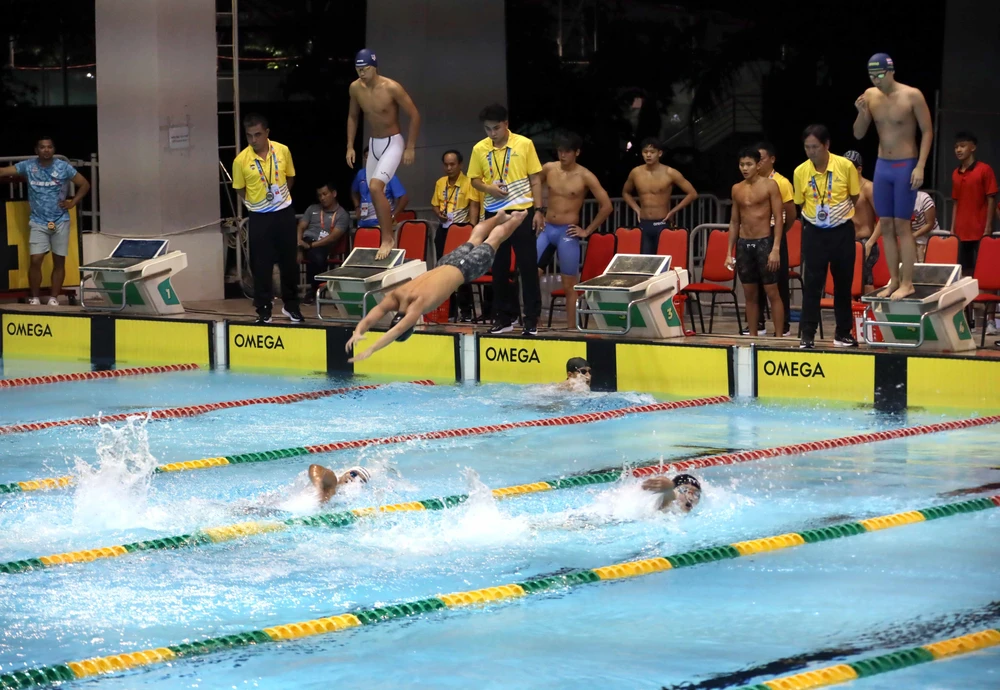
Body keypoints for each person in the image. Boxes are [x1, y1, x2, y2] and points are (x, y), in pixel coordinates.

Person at [346, 210, 527, 362]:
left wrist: (372, 349)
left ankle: (520, 216)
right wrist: (358, 331)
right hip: (445, 262)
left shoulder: (417, 304)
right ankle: (498, 217)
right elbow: (373, 315)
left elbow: (397, 330)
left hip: (465, 269)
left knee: (495, 239)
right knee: (475, 237)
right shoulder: (396, 294)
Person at [853, 53, 933, 300]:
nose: (875, 80)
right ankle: (894, 281)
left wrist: (920, 166)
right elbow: (858, 134)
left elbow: (928, 130)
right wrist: (861, 112)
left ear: (891, 71)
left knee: (902, 225)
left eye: (879, 75)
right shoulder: (870, 96)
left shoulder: (912, 95)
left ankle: (907, 283)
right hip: (882, 166)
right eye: (871, 75)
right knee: (886, 225)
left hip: (905, 164)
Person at [467, 104, 545, 335]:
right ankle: (504, 317)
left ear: (506, 124)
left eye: (496, 128)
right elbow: (474, 180)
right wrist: (488, 188)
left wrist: (539, 210)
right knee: (499, 268)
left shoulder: (524, 144)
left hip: (522, 212)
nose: (492, 134)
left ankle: (531, 319)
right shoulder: (479, 149)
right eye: (488, 129)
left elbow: (536, 179)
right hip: (495, 215)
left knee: (528, 267)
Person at [345, 49, 421, 260]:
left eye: (365, 68)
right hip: (374, 144)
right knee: (373, 192)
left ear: (374, 67)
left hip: (393, 142)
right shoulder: (355, 88)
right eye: (358, 69)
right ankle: (385, 233)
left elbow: (414, 115)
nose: (361, 73)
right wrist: (350, 146)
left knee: (375, 187)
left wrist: (410, 146)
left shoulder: (391, 87)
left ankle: (388, 238)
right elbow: (353, 116)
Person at [0, 136, 90, 305]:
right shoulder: (28, 165)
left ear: (53, 149)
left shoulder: (63, 167)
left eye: (49, 147)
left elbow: (84, 184)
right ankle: (34, 297)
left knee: (59, 260)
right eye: (42, 147)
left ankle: (54, 298)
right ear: (37, 150)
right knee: (36, 259)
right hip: (38, 221)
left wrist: (73, 202)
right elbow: (4, 171)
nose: (46, 150)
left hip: (60, 220)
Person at [794, 124, 861, 349]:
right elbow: (800, 202)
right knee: (812, 284)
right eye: (807, 147)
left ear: (827, 145)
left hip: (842, 231)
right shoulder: (800, 171)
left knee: (843, 285)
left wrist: (838, 215)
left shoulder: (845, 166)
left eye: (815, 147)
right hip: (814, 232)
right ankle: (807, 335)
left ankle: (843, 333)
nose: (811, 151)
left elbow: (854, 195)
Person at [535, 133, 613, 328]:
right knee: (530, 273)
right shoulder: (549, 168)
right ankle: (533, 321)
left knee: (569, 285)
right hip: (547, 228)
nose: (562, 155)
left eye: (567, 152)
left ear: (577, 152)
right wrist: (537, 210)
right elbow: (534, 183)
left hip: (567, 233)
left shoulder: (585, 176)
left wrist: (587, 231)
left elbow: (606, 206)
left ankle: (571, 329)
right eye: (560, 151)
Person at [232, 113, 303, 324]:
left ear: (267, 133)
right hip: (260, 217)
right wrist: (256, 204)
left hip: (284, 213)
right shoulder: (240, 160)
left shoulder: (282, 151)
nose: (254, 140)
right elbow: (240, 188)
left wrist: (279, 200)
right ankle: (263, 309)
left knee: (289, 262)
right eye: (249, 136)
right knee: (261, 265)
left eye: (258, 135)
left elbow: (291, 177)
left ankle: (292, 307)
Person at [725, 148, 785, 337]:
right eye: (742, 164)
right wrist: (729, 251)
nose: (744, 168)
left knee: (772, 292)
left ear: (758, 165)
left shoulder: (770, 186)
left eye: (749, 164)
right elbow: (735, 221)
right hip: (744, 244)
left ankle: (779, 335)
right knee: (750, 295)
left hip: (764, 243)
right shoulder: (737, 188)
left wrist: (775, 248)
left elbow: (779, 218)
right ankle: (752, 337)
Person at [748, 141, 796, 336]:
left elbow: (791, 213)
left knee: (778, 281)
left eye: (762, 159)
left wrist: (781, 232)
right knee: (754, 280)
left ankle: (782, 325)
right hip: (755, 235)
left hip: (775, 234)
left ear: (772, 159)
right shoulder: (751, 182)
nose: (758, 164)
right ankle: (757, 323)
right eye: (755, 160)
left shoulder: (782, 182)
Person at [622, 138, 699, 254]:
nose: (648, 155)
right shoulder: (635, 172)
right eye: (645, 152)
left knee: (663, 261)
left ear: (659, 153)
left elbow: (692, 193)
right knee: (645, 263)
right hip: (644, 223)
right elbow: (625, 192)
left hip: (662, 223)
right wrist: (637, 209)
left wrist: (673, 211)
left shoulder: (670, 172)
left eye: (652, 152)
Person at [431, 149, 481, 322]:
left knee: (461, 271)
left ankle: (465, 311)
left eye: (452, 164)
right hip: (444, 230)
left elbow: (474, 205)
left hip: (461, 230)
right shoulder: (440, 183)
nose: (449, 167)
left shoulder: (468, 182)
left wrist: (472, 229)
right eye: (446, 164)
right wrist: (438, 213)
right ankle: (449, 311)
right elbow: (435, 204)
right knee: (443, 270)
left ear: (460, 164)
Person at [951, 131, 997, 280]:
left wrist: (988, 227)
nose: (958, 150)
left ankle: (986, 302)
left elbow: (991, 198)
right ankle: (969, 302)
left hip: (980, 229)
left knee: (985, 266)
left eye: (962, 146)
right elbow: (955, 202)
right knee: (965, 268)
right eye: (956, 147)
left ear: (973, 147)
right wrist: (952, 228)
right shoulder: (955, 173)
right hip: (961, 230)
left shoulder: (984, 169)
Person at [297, 182, 351, 301]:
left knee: (317, 256)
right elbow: (301, 227)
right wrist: (299, 243)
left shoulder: (342, 214)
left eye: (325, 194)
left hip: (324, 244)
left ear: (334, 194)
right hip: (306, 241)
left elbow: (333, 237)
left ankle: (314, 290)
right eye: (319, 195)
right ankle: (290, 292)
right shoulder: (312, 208)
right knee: (286, 253)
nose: (322, 198)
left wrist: (310, 246)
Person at [844, 151, 880, 294]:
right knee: (846, 279)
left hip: (866, 241)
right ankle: (850, 314)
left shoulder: (868, 188)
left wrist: (871, 242)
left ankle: (869, 313)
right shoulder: (843, 189)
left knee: (865, 278)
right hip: (848, 241)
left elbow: (884, 218)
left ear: (859, 169)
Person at [351, 146, 409, 229]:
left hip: (382, 224)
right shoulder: (360, 174)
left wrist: (393, 216)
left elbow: (404, 198)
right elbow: (354, 191)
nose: (369, 160)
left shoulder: (388, 174)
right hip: (363, 223)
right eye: (367, 157)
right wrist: (357, 207)